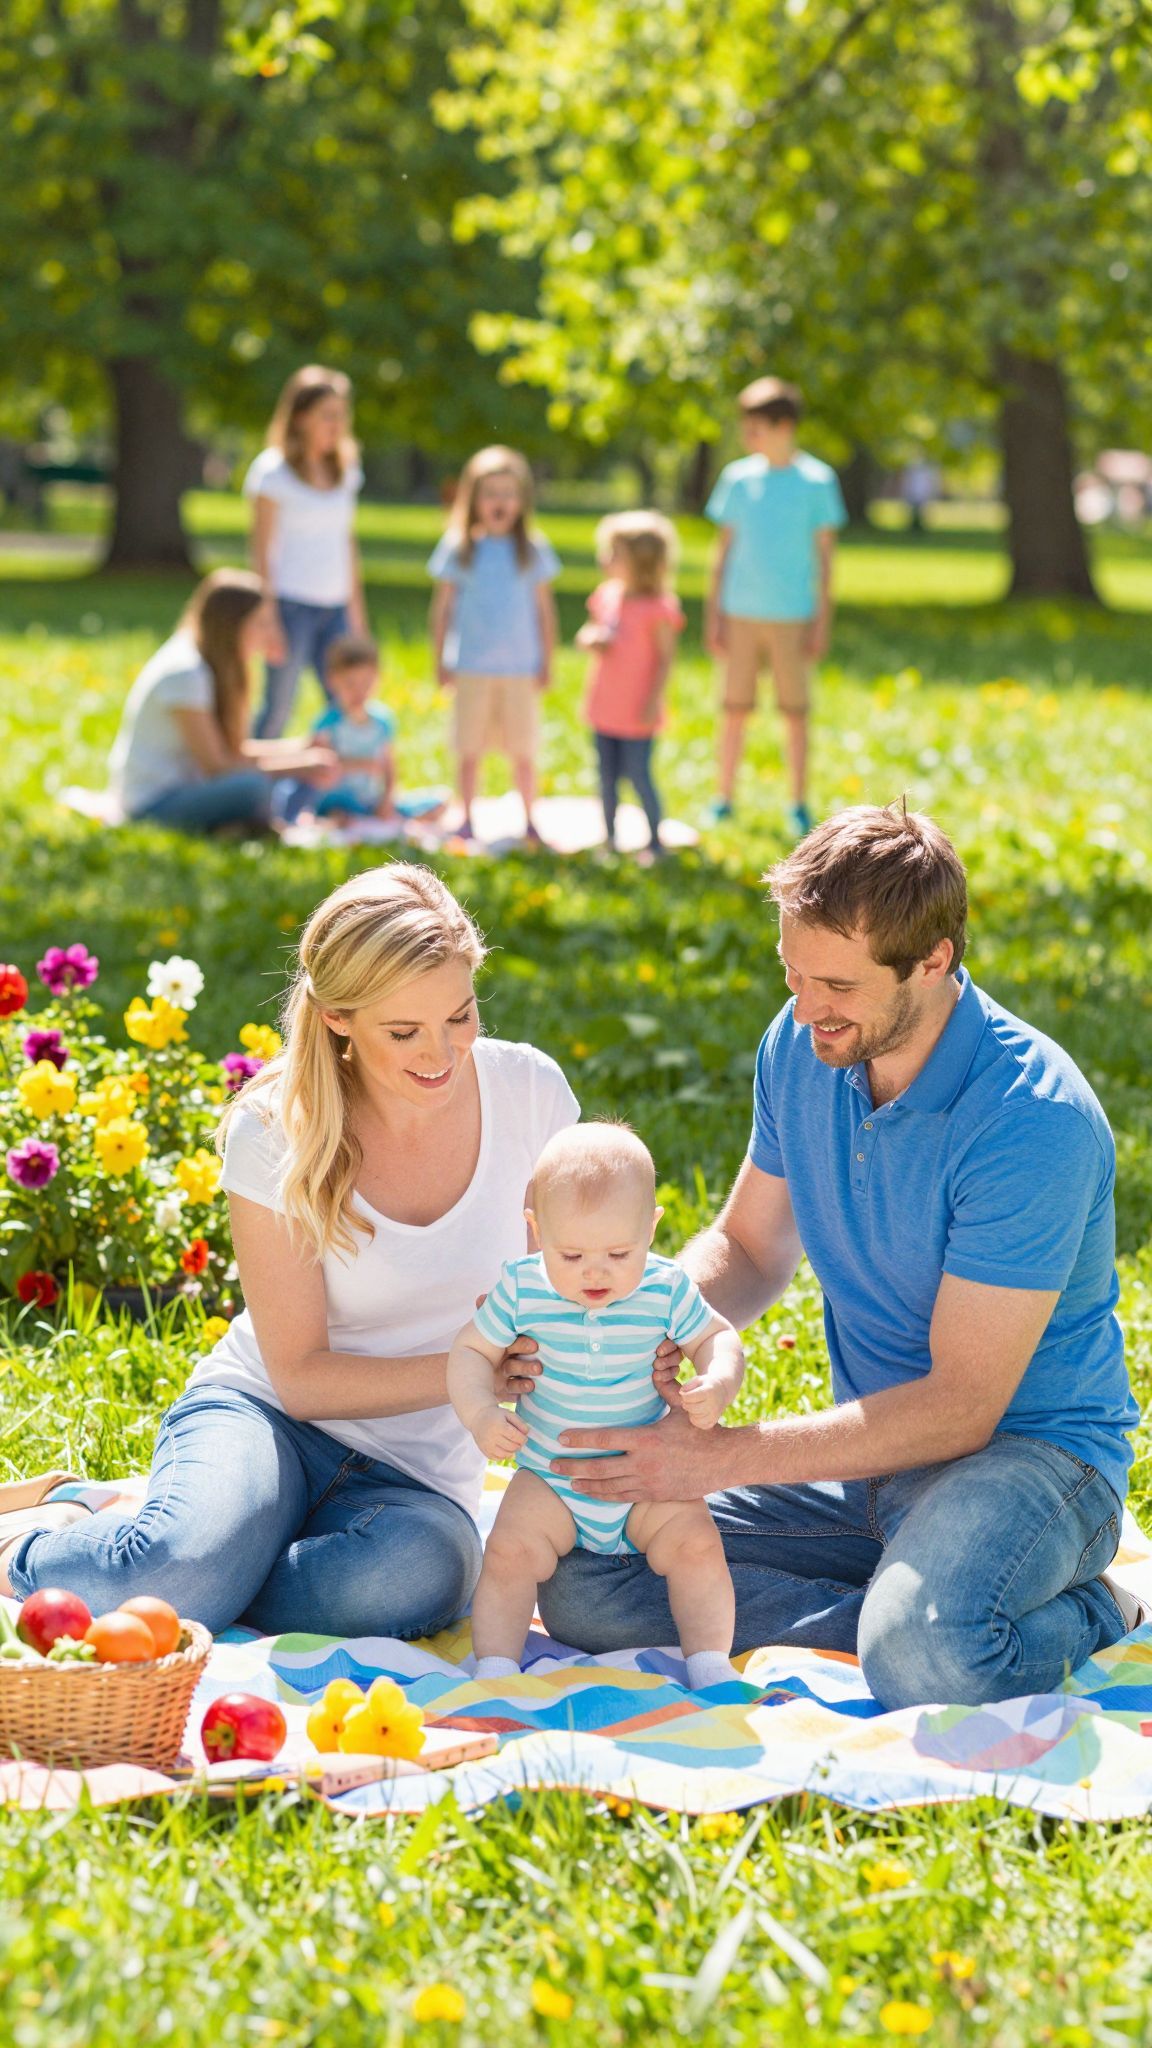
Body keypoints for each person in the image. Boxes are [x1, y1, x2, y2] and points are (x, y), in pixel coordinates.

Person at [534, 805, 1140, 1711]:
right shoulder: (800, 1043)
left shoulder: (1030, 1120)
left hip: (1032, 1461)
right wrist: (626, 1319)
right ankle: (908, 1603)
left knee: (930, 1660)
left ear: (934, 961)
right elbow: (746, 1249)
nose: (806, 1006)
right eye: (793, 972)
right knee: (583, 1573)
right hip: (871, 1465)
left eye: (838, 985)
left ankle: (1086, 1610)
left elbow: (961, 1407)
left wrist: (722, 1459)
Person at [0, 866, 580, 1638]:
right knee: (175, 1571)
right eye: (403, 1032)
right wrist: (471, 1371)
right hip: (267, 1416)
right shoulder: (280, 1124)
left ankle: (217, 1556)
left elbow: (581, 1275)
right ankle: (40, 1537)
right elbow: (300, 1378)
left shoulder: (531, 1093)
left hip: (417, 1474)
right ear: (338, 1017)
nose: (442, 1053)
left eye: (461, 1015)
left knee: (411, 1580)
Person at [447, 1124, 745, 1688]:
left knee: (697, 1545)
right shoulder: (521, 1287)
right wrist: (482, 1413)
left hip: (646, 1477)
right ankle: (496, 1667)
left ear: (651, 1229)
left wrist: (718, 1381)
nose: (596, 1272)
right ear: (536, 1232)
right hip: (551, 1477)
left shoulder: (666, 1287)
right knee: (509, 1551)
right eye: (572, 1253)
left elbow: (718, 1337)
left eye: (618, 1252)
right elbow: (468, 1350)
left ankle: (710, 1664)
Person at [704, 376, 847, 837]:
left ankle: (798, 803)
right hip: (740, 614)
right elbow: (721, 553)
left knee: (795, 713)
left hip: (793, 618)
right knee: (733, 710)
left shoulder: (817, 481)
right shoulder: (737, 479)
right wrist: (715, 615)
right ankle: (723, 798)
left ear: (783, 425)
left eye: (756, 427)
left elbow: (826, 563)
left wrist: (822, 622)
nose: (748, 437)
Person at [107, 569, 336, 834]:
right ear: (232, 624)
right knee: (254, 788)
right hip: (152, 805)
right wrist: (300, 766)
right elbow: (217, 765)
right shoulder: (186, 672)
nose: (269, 635)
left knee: (259, 787)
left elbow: (232, 750)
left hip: (186, 790)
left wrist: (301, 747)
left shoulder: (205, 664)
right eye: (260, 623)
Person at [427, 445, 560, 844]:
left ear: (521, 500)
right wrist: (439, 658)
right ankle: (466, 815)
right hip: (471, 666)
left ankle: (529, 818)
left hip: (520, 667)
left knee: (523, 748)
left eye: (508, 493)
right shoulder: (458, 547)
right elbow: (443, 609)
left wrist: (548, 660)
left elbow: (545, 612)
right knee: (468, 746)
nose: (499, 502)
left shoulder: (533, 550)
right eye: (490, 494)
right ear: (473, 499)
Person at [245, 364, 366, 740]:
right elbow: (261, 550)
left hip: (336, 607)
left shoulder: (346, 470)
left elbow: (346, 542)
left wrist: (356, 613)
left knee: (346, 704)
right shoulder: (272, 472)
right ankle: (252, 790)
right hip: (290, 605)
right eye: (327, 416)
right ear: (300, 418)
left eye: (341, 416)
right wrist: (267, 617)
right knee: (279, 704)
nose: (337, 425)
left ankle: (344, 790)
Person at [576, 511, 685, 864]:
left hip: (637, 710)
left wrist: (655, 700)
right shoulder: (606, 596)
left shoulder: (658, 609)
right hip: (605, 705)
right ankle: (610, 839)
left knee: (639, 776)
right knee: (605, 776)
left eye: (614, 553)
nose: (605, 560)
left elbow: (666, 659)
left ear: (641, 562)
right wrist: (592, 639)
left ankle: (655, 841)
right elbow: (587, 632)